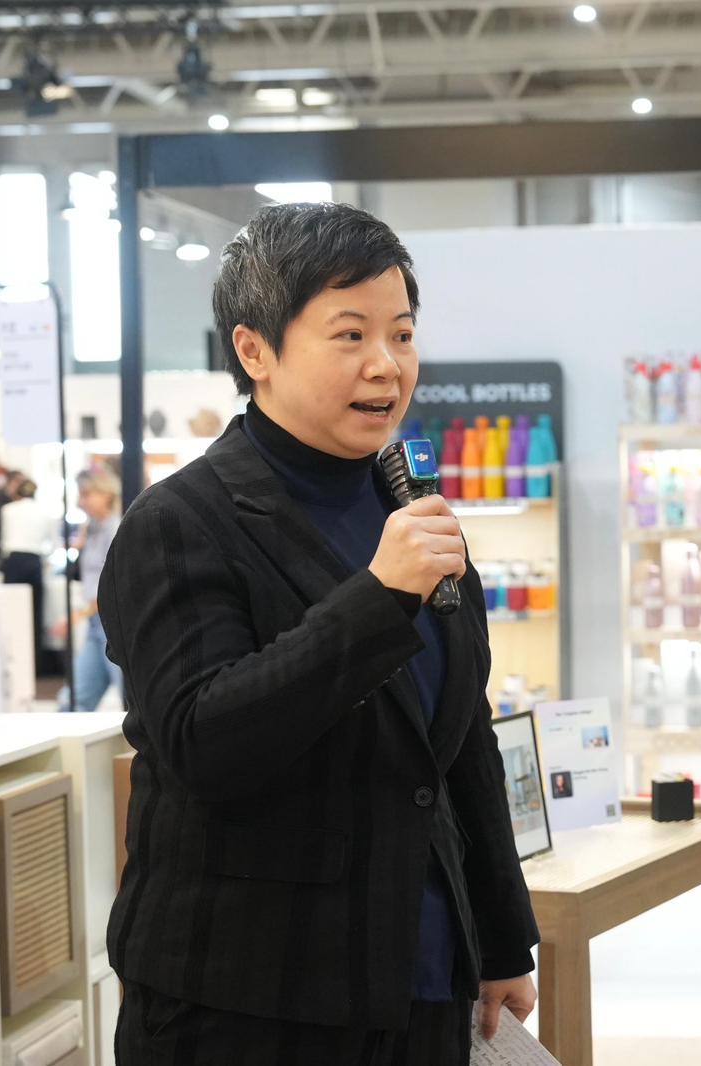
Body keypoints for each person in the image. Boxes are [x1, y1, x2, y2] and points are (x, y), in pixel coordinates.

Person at [100, 202, 539, 1065]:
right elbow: (204, 740)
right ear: (254, 350)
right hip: (246, 999)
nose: (387, 365)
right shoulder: (180, 522)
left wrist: (498, 935)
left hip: (417, 977)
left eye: (403, 335)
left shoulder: (407, 505)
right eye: (350, 336)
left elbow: (457, 738)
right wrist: (378, 598)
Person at [55, 469, 124, 712]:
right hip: (97, 625)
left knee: (132, 698)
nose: (81, 501)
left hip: (115, 624)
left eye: (87, 493)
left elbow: (114, 585)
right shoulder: (92, 530)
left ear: (106, 493)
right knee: (73, 699)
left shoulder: (116, 529)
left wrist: (75, 616)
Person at [0, 477, 54, 675]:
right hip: (34, 561)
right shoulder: (45, 513)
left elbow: (4, 540)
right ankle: (35, 666)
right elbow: (51, 544)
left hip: (13, 561)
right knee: (35, 616)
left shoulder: (8, 510)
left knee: (11, 616)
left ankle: (13, 665)